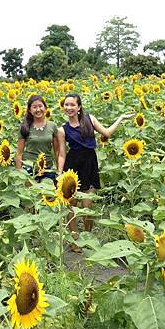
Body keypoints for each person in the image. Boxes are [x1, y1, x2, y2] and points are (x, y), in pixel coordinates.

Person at [57, 93, 134, 252]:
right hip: (72, 166)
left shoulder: (89, 120)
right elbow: (62, 154)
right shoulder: (62, 130)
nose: (69, 108)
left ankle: (87, 237)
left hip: (89, 164)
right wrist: (59, 173)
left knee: (87, 205)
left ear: (79, 107)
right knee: (72, 204)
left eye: (72, 105)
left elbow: (106, 133)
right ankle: (74, 238)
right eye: (66, 105)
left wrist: (120, 118)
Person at [16, 95, 59, 183]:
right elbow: (19, 153)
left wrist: (59, 170)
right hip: (29, 167)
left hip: (47, 168)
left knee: (48, 194)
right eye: (34, 107)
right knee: (30, 195)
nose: (38, 110)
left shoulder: (52, 126)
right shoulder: (25, 127)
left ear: (45, 108)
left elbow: (56, 151)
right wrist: (19, 172)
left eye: (40, 106)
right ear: (29, 110)